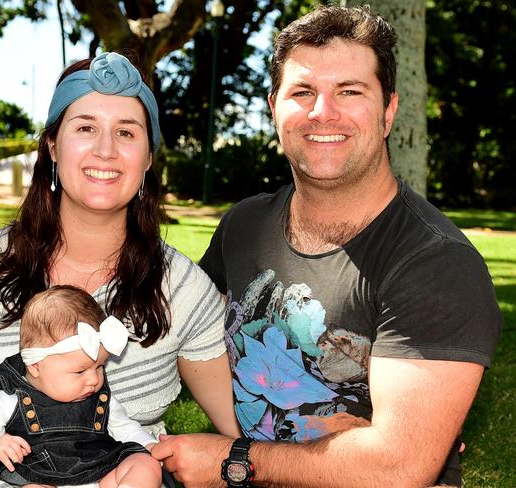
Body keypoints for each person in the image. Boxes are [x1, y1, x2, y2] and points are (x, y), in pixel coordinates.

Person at [151, 5, 502, 487]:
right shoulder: (245, 224)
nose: (323, 112)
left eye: (350, 91)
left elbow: (396, 469)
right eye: (303, 92)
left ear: (388, 110)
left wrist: (235, 462)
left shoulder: (435, 262)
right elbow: (172, 331)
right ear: (274, 106)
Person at [0, 51, 241, 487]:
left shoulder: (185, 290)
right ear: (53, 146)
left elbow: (238, 421)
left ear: (149, 157)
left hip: (113, 475)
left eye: (127, 132)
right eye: (86, 128)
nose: (106, 150)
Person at [0, 285, 161, 487]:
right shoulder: (12, 400)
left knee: (144, 464)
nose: (94, 380)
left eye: (100, 368)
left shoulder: (101, 399)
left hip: (100, 468)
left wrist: (149, 446)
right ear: (35, 367)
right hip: (38, 474)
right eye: (80, 371)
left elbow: (126, 428)